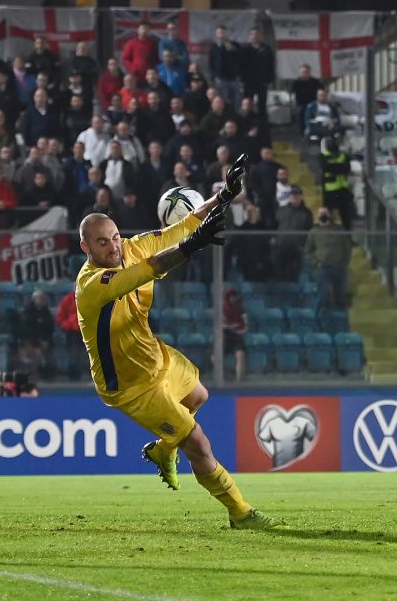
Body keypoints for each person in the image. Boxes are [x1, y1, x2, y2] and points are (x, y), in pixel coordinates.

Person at [75, 154, 282, 529]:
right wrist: (193, 246)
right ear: (86, 249)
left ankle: (161, 448)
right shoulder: (91, 288)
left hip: (157, 358)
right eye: (102, 243)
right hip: (131, 385)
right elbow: (150, 270)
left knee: (198, 397)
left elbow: (185, 224)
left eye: (115, 237)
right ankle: (240, 512)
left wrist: (224, 195)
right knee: (198, 444)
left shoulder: (133, 246)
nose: (113, 246)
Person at [304, 206, 352, 314]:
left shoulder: (339, 230)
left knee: (340, 296)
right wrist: (317, 263)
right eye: (320, 213)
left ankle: (342, 323)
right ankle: (317, 319)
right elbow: (307, 251)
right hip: (323, 269)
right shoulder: (314, 231)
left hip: (339, 268)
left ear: (329, 215)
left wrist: (344, 263)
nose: (323, 215)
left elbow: (347, 248)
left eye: (325, 213)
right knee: (322, 295)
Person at [274, 183, 314, 281]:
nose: (294, 196)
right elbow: (275, 226)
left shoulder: (307, 213)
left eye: (296, 194)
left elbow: (309, 230)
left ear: (301, 196)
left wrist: (303, 245)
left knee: (294, 274)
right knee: (279, 273)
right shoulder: (281, 210)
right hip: (281, 246)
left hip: (297, 249)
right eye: (292, 194)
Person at [320, 137, 354, 230]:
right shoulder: (323, 156)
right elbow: (325, 167)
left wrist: (333, 167)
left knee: (346, 217)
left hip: (343, 190)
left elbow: (346, 169)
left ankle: (348, 238)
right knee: (327, 216)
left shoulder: (343, 155)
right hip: (329, 191)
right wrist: (339, 167)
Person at [222, 288, 248, 382]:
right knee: (214, 358)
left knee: (240, 355)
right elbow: (222, 325)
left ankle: (239, 381)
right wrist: (231, 326)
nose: (233, 299)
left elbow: (244, 327)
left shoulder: (240, 310)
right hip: (225, 338)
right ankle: (224, 377)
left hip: (237, 338)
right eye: (231, 297)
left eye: (234, 297)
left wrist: (236, 329)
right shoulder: (222, 310)